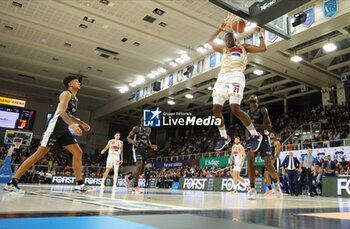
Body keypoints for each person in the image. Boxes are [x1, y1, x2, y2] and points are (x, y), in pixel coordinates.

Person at [4, 76, 90, 192]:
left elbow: (69, 115)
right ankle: (12, 182)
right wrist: (73, 126)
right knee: (38, 155)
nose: (79, 83)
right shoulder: (66, 94)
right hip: (54, 128)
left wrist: (81, 123)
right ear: (70, 84)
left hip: (64, 130)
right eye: (76, 81)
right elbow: (62, 112)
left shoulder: (75, 99)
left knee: (78, 152)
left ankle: (79, 184)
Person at [207, 21, 266, 152]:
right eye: (226, 40)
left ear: (235, 39)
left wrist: (260, 34)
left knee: (234, 108)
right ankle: (224, 137)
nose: (228, 42)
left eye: (230, 40)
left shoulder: (243, 47)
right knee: (216, 110)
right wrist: (219, 29)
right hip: (222, 78)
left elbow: (263, 48)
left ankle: (255, 135)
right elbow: (209, 41)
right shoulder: (223, 50)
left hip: (236, 76)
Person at [245, 95, 282, 200]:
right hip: (252, 138)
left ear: (257, 101)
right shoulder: (247, 113)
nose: (252, 101)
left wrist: (255, 125)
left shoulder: (262, 110)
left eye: (254, 100)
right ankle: (252, 189)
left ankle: (276, 184)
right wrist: (248, 139)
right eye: (250, 100)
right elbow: (246, 128)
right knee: (250, 158)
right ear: (249, 102)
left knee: (268, 163)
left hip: (263, 136)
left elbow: (269, 126)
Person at [127, 117, 157, 193]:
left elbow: (147, 140)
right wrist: (133, 142)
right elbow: (128, 138)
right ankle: (135, 186)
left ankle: (129, 178)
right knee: (139, 165)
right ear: (141, 120)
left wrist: (151, 145)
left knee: (141, 171)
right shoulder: (136, 128)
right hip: (137, 148)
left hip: (144, 149)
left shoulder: (149, 129)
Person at [264, 131, 281, 196]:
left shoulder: (277, 142)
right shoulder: (268, 143)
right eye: (270, 134)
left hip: (275, 160)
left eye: (273, 134)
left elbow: (278, 152)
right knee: (266, 174)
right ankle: (270, 189)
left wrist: (274, 159)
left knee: (276, 175)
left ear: (275, 136)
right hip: (268, 161)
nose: (271, 135)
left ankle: (278, 190)